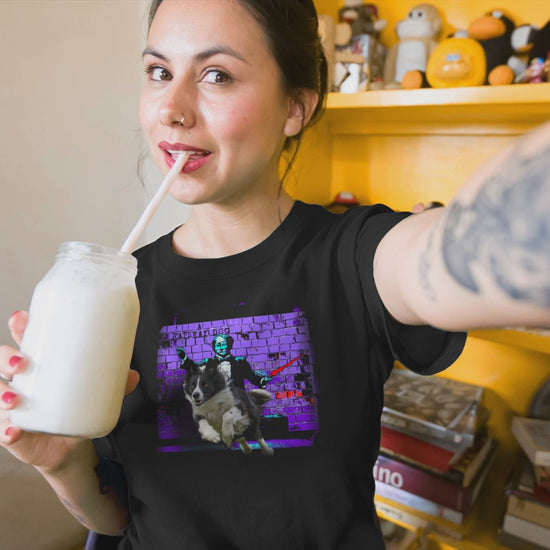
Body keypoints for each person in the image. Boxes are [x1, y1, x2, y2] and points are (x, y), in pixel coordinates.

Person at [1, 1, 549, 548]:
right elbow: (115, 518)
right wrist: (65, 464)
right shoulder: (120, 293)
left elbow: (457, 253)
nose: (171, 108)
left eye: (216, 75)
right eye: (159, 72)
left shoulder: (355, 256)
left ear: (295, 109)